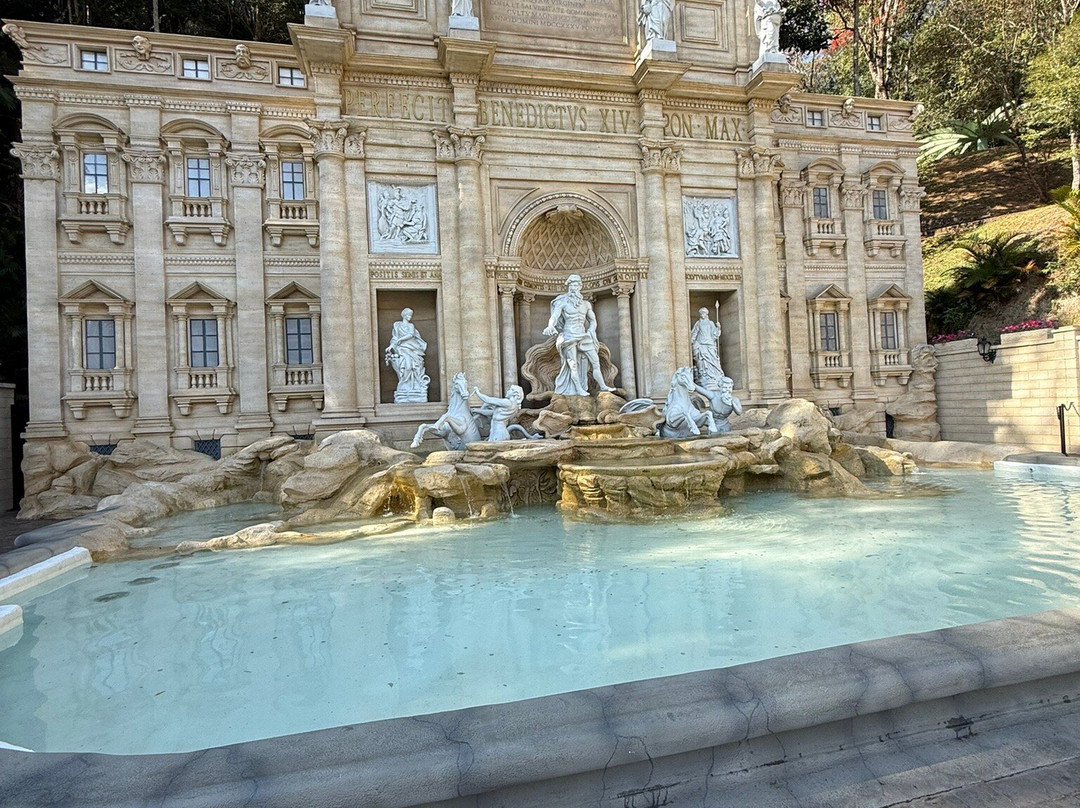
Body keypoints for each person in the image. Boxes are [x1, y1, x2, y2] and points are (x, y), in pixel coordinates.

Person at [543, 274, 614, 397]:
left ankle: (603, 386)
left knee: (595, 361)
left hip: (583, 335)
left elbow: (592, 320)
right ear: (568, 286)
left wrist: (591, 330)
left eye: (576, 285)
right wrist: (550, 326)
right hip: (569, 335)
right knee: (573, 364)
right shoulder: (563, 302)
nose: (573, 288)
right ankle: (578, 389)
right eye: (571, 285)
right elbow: (554, 316)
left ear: (580, 286)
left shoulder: (586, 304)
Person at [384, 308, 429, 402]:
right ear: (404, 315)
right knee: (406, 367)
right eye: (408, 315)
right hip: (401, 349)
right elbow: (395, 338)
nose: (410, 317)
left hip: (412, 348)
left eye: (411, 315)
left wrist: (400, 340)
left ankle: (415, 387)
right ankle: (404, 387)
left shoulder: (411, 325)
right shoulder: (397, 325)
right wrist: (391, 346)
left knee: (415, 367)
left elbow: (411, 334)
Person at [690, 307, 725, 390]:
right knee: (702, 361)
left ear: (707, 314)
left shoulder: (710, 323)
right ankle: (704, 375)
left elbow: (715, 334)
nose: (703, 315)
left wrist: (718, 327)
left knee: (712, 360)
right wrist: (692, 341)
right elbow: (694, 333)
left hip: (709, 344)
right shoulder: (698, 323)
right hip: (701, 345)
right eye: (701, 313)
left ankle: (713, 377)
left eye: (704, 313)